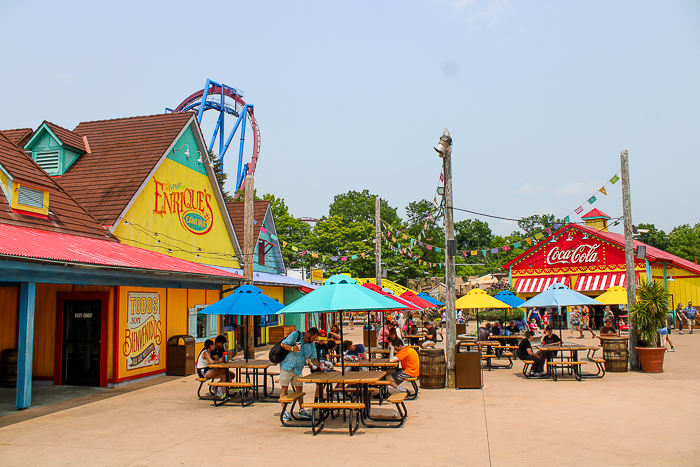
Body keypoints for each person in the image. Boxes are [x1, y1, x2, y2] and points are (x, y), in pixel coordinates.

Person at [278, 328, 320, 422]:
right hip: (287, 366)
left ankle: (301, 409)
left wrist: (317, 364)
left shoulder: (311, 345)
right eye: (314, 338)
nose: (314, 340)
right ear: (308, 334)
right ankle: (284, 411)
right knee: (284, 388)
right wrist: (292, 348)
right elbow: (283, 344)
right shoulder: (295, 335)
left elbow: (313, 358)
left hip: (298, 369)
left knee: (299, 388)